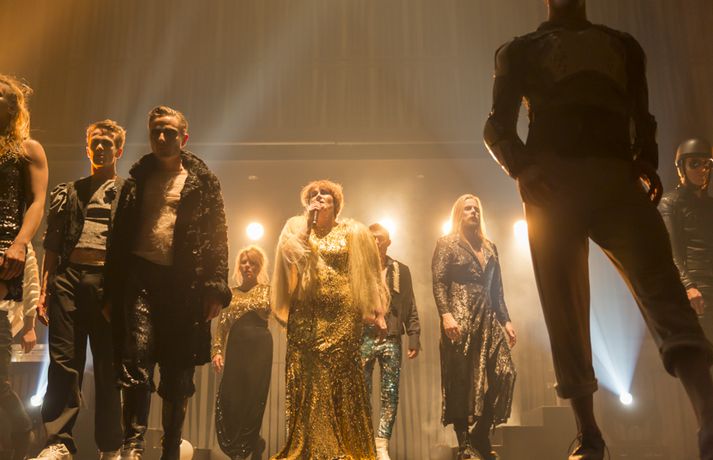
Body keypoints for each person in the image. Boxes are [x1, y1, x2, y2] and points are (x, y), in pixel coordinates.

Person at [483, 1, 713, 458]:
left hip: (591, 178)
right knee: (574, 304)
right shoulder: (539, 50)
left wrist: (644, 159)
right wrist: (523, 167)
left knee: (657, 293)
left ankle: (703, 418)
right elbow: (497, 127)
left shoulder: (614, 48)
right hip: (570, 181)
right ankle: (592, 432)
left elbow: (641, 118)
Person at [104, 106, 231, 460]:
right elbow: (118, 237)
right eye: (156, 131)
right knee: (136, 359)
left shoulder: (203, 182)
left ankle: (171, 448)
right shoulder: (136, 180)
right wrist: (111, 291)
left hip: (184, 286)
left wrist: (215, 286)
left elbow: (217, 235)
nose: (161, 138)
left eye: (169, 132)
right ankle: (132, 444)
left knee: (178, 371)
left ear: (184, 138)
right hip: (140, 280)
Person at [271, 179, 388, 460]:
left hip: (343, 317)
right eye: (313, 194)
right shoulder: (295, 228)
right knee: (308, 377)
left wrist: (379, 312)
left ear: (336, 203)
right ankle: (312, 447)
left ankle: (344, 447)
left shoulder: (354, 231)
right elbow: (290, 258)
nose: (319, 196)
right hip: (305, 316)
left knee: (340, 376)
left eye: (325, 193)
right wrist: (307, 226)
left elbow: (370, 273)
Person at [33, 120, 126, 460]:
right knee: (62, 363)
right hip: (68, 279)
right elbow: (53, 244)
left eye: (107, 143)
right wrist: (45, 289)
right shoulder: (69, 191)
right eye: (95, 143)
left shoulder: (128, 193)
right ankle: (58, 441)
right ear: (87, 148)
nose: (100, 148)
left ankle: (110, 446)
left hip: (107, 283)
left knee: (109, 367)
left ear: (118, 150)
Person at [432, 195, 516, 460]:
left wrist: (506, 320)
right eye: (468, 209)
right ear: (459, 213)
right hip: (460, 318)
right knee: (461, 380)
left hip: (488, 318)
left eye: (476, 209)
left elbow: (497, 289)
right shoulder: (447, 243)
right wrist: (446, 315)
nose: (473, 212)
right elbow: (439, 282)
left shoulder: (490, 247)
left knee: (506, 373)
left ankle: (480, 432)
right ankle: (465, 443)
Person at [0, 74, 48, 460]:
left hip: (5, 251)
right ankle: (20, 431)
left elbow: (37, 201)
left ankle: (23, 430)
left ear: (13, 105)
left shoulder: (27, 149)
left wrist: (18, 243)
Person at [360, 223, 421, 460]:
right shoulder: (358, 270)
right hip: (363, 335)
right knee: (361, 392)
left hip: (392, 336)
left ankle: (381, 444)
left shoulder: (401, 270)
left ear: (388, 242)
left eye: (380, 238)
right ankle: (364, 441)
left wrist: (414, 336)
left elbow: (410, 304)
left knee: (390, 393)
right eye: (372, 238)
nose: (376, 242)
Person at [212, 246, 272, 460]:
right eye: (244, 262)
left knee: (253, 397)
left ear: (259, 266)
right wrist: (217, 351)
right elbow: (222, 326)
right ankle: (247, 443)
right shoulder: (231, 293)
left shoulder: (268, 290)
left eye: (252, 263)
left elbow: (283, 312)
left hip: (260, 348)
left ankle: (247, 443)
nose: (248, 266)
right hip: (237, 348)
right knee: (232, 397)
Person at [659, 139, 713, 338]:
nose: (702, 169)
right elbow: (670, 251)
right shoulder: (670, 203)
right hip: (697, 289)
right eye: (694, 163)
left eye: (706, 163)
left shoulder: (710, 205)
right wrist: (689, 286)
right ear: (681, 167)